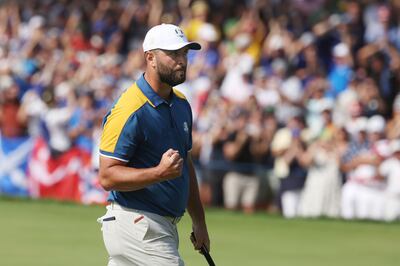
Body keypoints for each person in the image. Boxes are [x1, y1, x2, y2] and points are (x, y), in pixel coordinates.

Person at [97, 24, 210, 266]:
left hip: (156, 226)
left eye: (184, 54)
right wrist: (159, 173)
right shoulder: (129, 109)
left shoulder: (181, 104)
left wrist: (199, 221)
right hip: (138, 224)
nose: (181, 61)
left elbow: (185, 165)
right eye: (173, 54)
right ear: (151, 58)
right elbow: (107, 176)